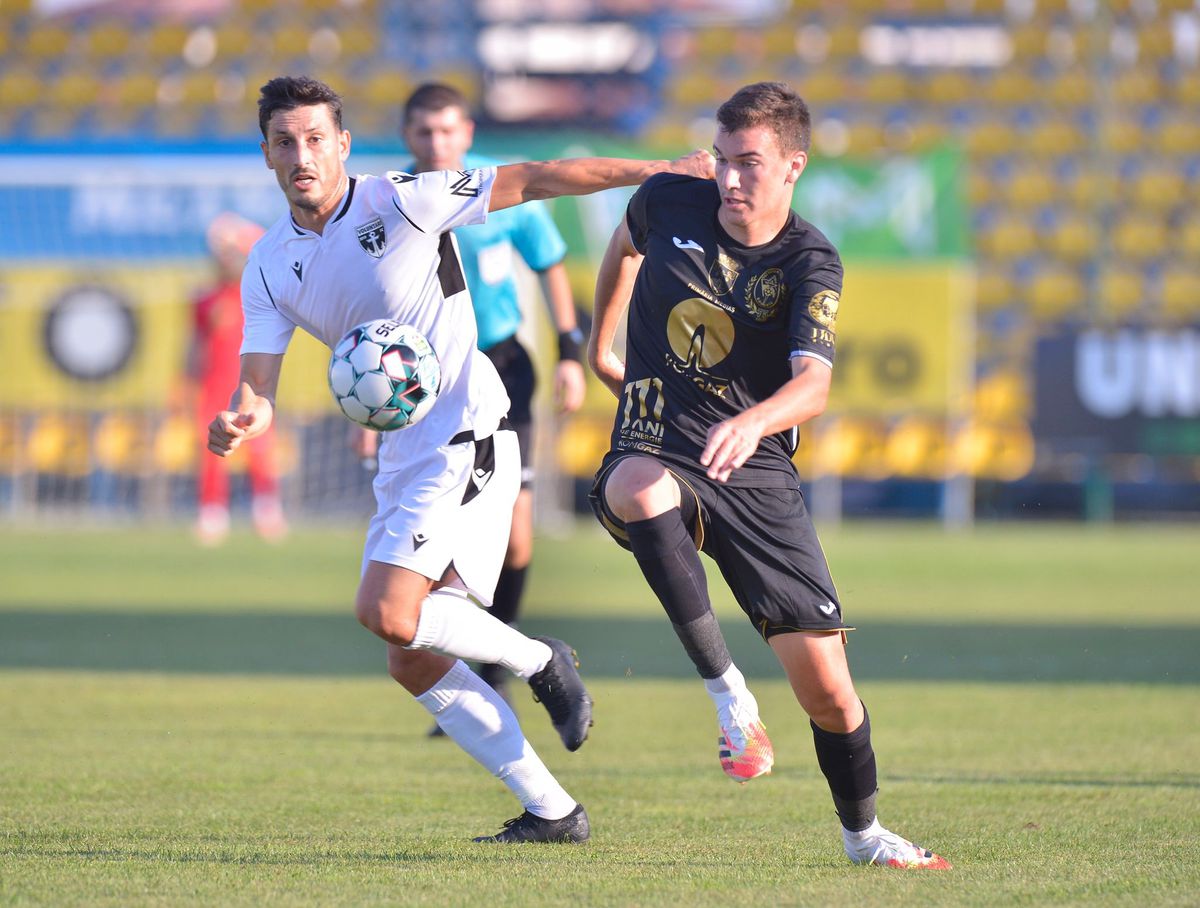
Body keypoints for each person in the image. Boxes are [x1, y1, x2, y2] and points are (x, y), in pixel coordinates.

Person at [206, 76, 714, 844]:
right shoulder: (270, 266)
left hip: (468, 426)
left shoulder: (401, 199)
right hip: (404, 453)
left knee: (386, 613)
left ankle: (543, 659)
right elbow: (259, 386)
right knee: (409, 658)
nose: (301, 154)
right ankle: (554, 812)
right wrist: (243, 418)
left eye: (316, 138)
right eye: (285, 141)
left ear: (342, 144)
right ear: (268, 153)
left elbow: (536, 179)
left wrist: (653, 171)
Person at [586, 82, 951, 869]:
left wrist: (754, 421)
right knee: (637, 489)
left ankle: (864, 837)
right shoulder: (666, 202)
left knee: (828, 692)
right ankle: (730, 699)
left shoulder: (809, 259)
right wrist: (599, 345)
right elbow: (623, 245)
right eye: (720, 160)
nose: (728, 179)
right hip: (656, 440)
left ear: (793, 166)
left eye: (748, 163)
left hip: (753, 470)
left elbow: (813, 385)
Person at [397, 82, 586, 724]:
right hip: (425, 380)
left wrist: (569, 350)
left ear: (468, 134)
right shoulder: (395, 207)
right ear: (408, 137)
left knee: (518, 541)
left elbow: (550, 263)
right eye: (425, 132)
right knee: (434, 543)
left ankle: (498, 673)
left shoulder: (499, 198)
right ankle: (463, 687)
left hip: (504, 369)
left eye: (448, 131)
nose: (437, 143)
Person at [186, 212, 286, 545]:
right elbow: (194, 345)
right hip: (213, 387)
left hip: (247, 386)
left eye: (232, 252)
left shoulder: (254, 295)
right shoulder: (204, 298)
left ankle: (266, 511)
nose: (226, 259)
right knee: (213, 452)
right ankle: (212, 514)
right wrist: (185, 383)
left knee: (260, 449)